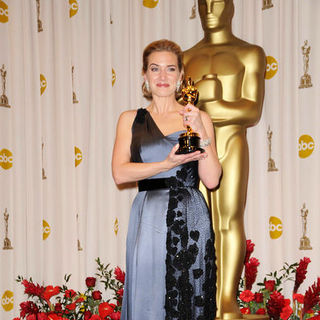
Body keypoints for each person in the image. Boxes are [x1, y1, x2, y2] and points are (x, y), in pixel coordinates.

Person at [112, 39, 222, 320]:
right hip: (147, 213)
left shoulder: (196, 117)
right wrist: (166, 163)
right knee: (147, 294)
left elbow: (211, 179)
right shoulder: (129, 119)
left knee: (186, 299)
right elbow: (120, 172)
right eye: (155, 69)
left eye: (170, 69)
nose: (162, 77)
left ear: (181, 75)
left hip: (189, 214)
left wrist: (200, 131)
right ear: (145, 75)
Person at [183, 0, 266, 318]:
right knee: (195, 225)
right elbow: (180, 114)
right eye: (203, 3)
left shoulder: (249, 53)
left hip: (231, 142)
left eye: (217, 2)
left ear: (230, 6)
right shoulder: (187, 58)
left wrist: (210, 101)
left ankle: (226, 299)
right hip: (196, 150)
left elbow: (251, 110)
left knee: (229, 220)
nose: (209, 9)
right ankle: (201, 298)